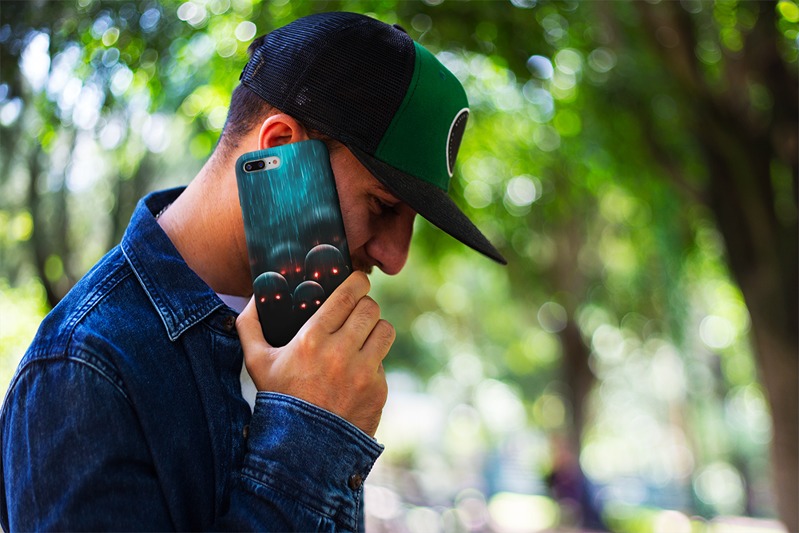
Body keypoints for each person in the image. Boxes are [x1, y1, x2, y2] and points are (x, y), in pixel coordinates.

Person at [0, 11, 506, 531]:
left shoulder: (308, 340)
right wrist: (310, 432)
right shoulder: (82, 369)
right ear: (281, 147)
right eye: (382, 205)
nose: (395, 258)